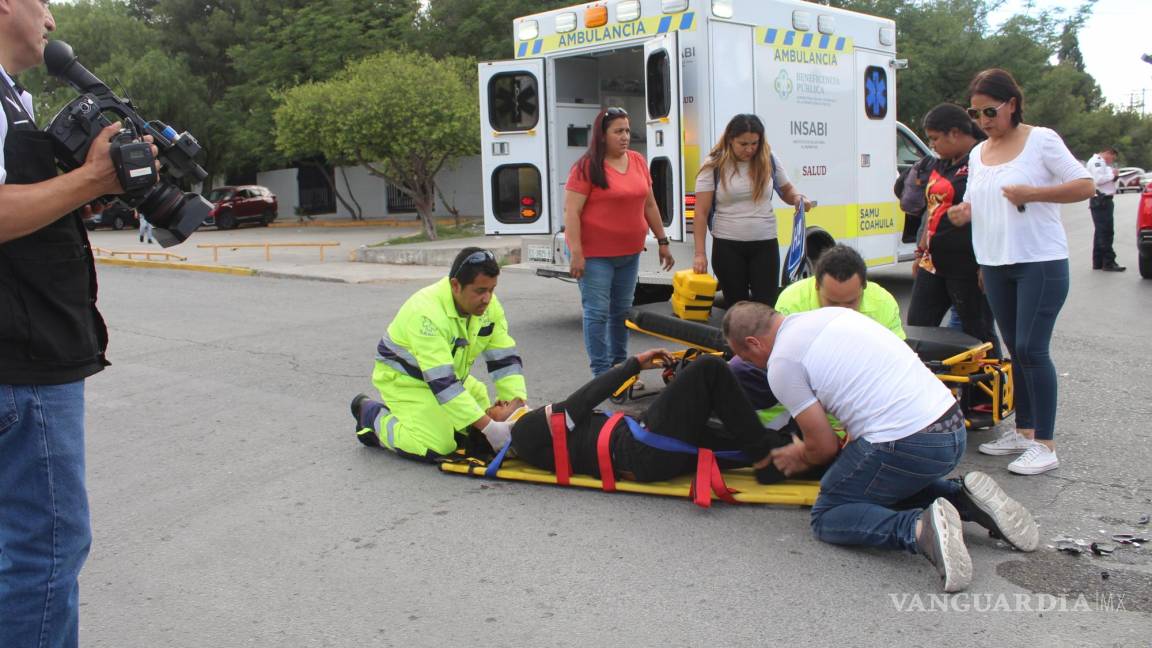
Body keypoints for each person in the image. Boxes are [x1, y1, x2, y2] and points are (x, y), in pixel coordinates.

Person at [1, 1, 151, 644]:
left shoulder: (14, 100)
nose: (52, 21)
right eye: (43, 2)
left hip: (27, 350)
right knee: (45, 553)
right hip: (22, 362)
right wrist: (92, 176)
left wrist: (87, 187)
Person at [722, 302, 1040, 593]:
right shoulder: (831, 316)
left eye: (748, 359)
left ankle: (919, 530)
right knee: (870, 486)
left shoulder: (782, 363)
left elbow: (823, 447)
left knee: (829, 513)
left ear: (753, 343)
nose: (754, 366)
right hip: (951, 427)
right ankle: (961, 498)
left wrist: (799, 454)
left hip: (909, 443)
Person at [950, 69, 1094, 475]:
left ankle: (1045, 445)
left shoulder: (1041, 140)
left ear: (1012, 104)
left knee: (1032, 348)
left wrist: (1035, 193)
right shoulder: (979, 153)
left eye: (990, 111)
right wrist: (967, 211)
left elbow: (1084, 186)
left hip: (1039, 261)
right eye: (975, 114)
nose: (983, 121)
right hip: (995, 262)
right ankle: (1024, 431)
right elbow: (982, 200)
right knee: (1016, 351)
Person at [488, 349, 787, 484]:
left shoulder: (533, 439)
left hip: (647, 453)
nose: (500, 400)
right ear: (496, 429)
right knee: (709, 368)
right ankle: (765, 459)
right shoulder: (524, 431)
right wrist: (634, 365)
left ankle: (813, 456)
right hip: (640, 448)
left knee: (774, 446)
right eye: (494, 408)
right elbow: (582, 401)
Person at [350, 247, 527, 460]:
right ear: (455, 285)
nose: (487, 299)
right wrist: (490, 428)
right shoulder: (426, 313)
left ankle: (438, 420)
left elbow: (505, 361)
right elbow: (442, 383)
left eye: (492, 289)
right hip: (406, 382)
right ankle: (370, 415)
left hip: (452, 379)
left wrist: (518, 410)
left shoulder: (489, 307)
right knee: (438, 445)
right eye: (480, 291)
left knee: (477, 431)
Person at [564, 106, 674, 377]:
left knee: (621, 313)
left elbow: (649, 204)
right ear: (602, 136)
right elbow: (572, 213)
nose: (625, 136)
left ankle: (621, 369)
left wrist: (662, 240)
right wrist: (576, 252)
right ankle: (602, 374)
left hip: (629, 254)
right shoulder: (586, 167)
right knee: (597, 313)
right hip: (595, 256)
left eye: (627, 130)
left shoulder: (636, 160)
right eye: (618, 131)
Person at [906, 104, 1000, 356]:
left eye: (936, 138)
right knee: (915, 331)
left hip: (968, 265)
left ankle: (989, 393)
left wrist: (987, 264)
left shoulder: (983, 159)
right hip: (933, 263)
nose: (933, 145)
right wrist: (921, 251)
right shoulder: (942, 162)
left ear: (955, 133)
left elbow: (996, 212)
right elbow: (933, 208)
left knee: (978, 336)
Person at [691, 114, 813, 306]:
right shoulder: (713, 164)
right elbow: (701, 212)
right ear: (730, 139)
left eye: (754, 143)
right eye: (743, 144)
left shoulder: (768, 159)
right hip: (727, 246)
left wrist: (798, 198)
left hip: (765, 243)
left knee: (766, 306)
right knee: (738, 308)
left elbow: (787, 190)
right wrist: (700, 254)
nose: (750, 149)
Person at [774, 244, 905, 338]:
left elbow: (898, 357)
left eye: (850, 303)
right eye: (833, 302)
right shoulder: (791, 302)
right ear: (817, 286)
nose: (841, 312)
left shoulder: (883, 303)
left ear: (864, 287)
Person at [1085, 146, 1126, 272]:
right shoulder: (1098, 162)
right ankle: (1109, 262)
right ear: (1108, 153)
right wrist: (1113, 177)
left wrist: (1112, 175)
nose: (1111, 161)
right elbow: (1099, 179)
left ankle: (1098, 261)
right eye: (1112, 158)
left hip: (1102, 200)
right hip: (1101, 201)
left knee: (1100, 232)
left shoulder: (1101, 163)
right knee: (1106, 232)